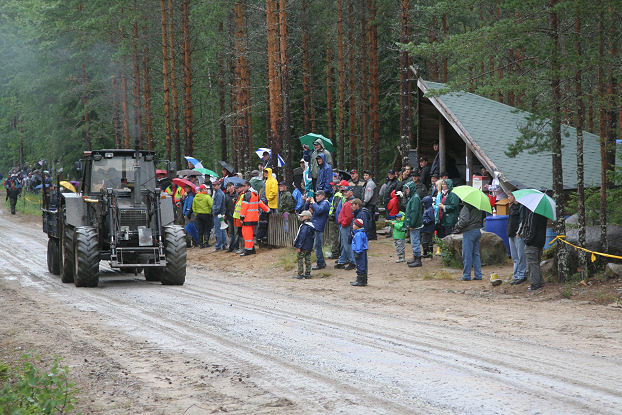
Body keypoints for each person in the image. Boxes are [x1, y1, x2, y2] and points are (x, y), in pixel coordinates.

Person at [453, 202, 485, 281]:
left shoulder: (466, 207)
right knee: (476, 254)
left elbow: (464, 220)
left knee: (467, 254)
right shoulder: (478, 207)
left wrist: (456, 227)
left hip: (469, 231)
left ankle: (466, 275)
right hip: (477, 230)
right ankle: (478, 275)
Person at [239, 180, 270, 256]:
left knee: (247, 234)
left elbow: (244, 207)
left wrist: (241, 217)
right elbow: (260, 204)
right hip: (254, 217)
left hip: (247, 218)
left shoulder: (247, 194)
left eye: (244, 186)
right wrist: (268, 210)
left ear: (249, 186)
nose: (243, 188)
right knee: (249, 234)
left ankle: (249, 250)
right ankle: (251, 248)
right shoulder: (255, 194)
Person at [521, 209, 547, 291]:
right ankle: (540, 282)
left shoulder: (533, 215)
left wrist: (526, 240)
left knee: (532, 264)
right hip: (540, 242)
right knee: (536, 263)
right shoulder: (543, 214)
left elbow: (532, 229)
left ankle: (535, 284)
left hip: (532, 243)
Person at [305, 190, 330, 270]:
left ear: (323, 196)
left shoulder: (325, 203)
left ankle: (321, 263)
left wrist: (314, 202)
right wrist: (307, 202)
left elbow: (319, 211)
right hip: (314, 226)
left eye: (318, 195)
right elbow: (306, 211)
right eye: (316, 196)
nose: (316, 197)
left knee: (317, 246)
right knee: (315, 246)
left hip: (318, 227)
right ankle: (320, 262)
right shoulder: (318, 203)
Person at [507, 193, 528, 285]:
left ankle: (521, 275)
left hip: (518, 235)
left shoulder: (522, 207)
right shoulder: (511, 206)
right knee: (514, 257)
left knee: (521, 256)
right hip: (511, 234)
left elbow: (523, 220)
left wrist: (519, 233)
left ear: (514, 197)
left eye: (509, 196)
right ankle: (515, 275)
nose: (508, 198)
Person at [335, 186, 356, 270]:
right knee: (344, 244)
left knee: (347, 244)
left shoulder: (349, 203)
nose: (344, 193)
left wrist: (343, 224)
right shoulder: (349, 202)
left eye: (346, 191)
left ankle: (352, 262)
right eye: (344, 192)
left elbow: (348, 217)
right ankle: (342, 261)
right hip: (345, 225)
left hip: (346, 226)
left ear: (351, 192)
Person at [403, 181, 423, 268]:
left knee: (415, 241)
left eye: (407, 189)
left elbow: (414, 213)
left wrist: (411, 224)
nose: (406, 191)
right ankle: (415, 258)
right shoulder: (413, 197)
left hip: (415, 224)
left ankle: (418, 260)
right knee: (414, 241)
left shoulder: (415, 198)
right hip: (413, 224)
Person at [293, 210, 316, 279]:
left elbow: (302, 237)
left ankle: (300, 273)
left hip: (303, 246)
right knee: (308, 259)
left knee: (300, 259)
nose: (301, 217)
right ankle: (308, 273)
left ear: (307, 217)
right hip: (309, 246)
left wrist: (299, 246)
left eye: (302, 216)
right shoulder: (311, 226)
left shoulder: (305, 226)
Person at [328, 181, 347, 259]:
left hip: (334, 218)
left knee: (334, 236)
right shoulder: (338, 194)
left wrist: (332, 215)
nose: (333, 187)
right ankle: (338, 252)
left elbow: (335, 208)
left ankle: (335, 252)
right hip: (337, 218)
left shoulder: (338, 195)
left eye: (334, 186)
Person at [350, 218, 369, 287]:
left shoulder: (358, 235)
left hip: (360, 252)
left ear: (358, 226)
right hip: (362, 251)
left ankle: (360, 280)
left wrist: (357, 252)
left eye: (354, 224)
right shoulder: (361, 233)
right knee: (362, 265)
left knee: (360, 265)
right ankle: (363, 280)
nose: (352, 225)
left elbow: (359, 244)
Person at [211, 180, 227, 251]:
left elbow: (218, 206)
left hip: (218, 214)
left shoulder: (219, 194)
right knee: (222, 229)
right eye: (213, 185)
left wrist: (214, 212)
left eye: (215, 185)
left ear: (219, 185)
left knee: (218, 230)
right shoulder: (219, 193)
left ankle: (218, 246)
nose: (213, 187)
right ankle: (224, 244)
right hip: (220, 214)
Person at [230, 182, 246, 253]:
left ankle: (242, 248)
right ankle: (241, 247)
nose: (236, 189)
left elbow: (243, 207)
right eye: (236, 188)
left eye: (237, 188)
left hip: (240, 217)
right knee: (239, 233)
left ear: (242, 187)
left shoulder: (243, 195)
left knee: (241, 233)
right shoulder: (239, 195)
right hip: (237, 216)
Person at [362, 170, 377, 240]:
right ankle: (373, 235)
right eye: (364, 175)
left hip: (370, 204)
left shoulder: (370, 183)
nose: (365, 176)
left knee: (370, 220)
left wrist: (364, 203)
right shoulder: (368, 183)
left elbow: (368, 195)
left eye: (366, 175)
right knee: (371, 220)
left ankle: (371, 235)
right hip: (370, 204)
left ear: (370, 176)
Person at [224, 182, 238, 252]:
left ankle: (235, 247)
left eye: (230, 186)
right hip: (229, 216)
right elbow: (225, 206)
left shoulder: (237, 195)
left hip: (235, 216)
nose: (229, 188)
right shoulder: (226, 196)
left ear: (233, 186)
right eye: (228, 187)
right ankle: (231, 247)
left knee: (236, 232)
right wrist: (224, 214)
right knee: (230, 232)